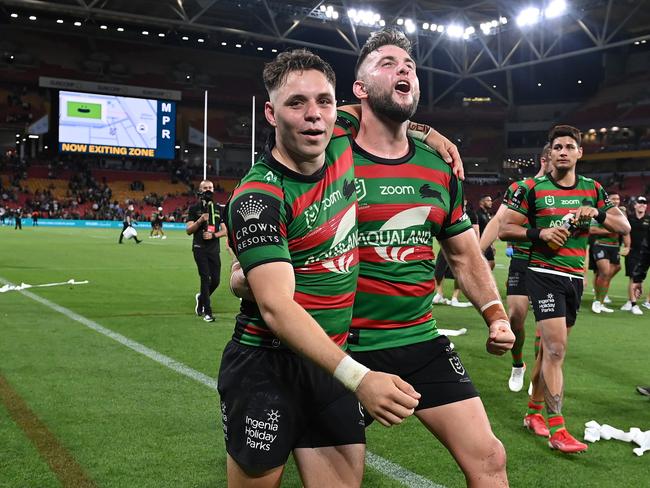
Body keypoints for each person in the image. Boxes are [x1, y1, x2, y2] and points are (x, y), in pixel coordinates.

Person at [219, 49, 421, 488]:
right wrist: (359, 377)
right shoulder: (259, 198)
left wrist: (431, 135)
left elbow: (389, 112)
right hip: (265, 368)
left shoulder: (343, 138)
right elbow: (275, 307)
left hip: (329, 362)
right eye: (296, 103)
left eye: (324, 102)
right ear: (271, 114)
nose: (314, 116)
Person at [345, 29, 514, 486]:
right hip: (342, 347)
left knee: (490, 459)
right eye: (387, 63)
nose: (403, 69)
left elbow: (463, 255)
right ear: (359, 89)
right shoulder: (329, 150)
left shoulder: (440, 165)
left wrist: (495, 314)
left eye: (409, 65)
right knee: (342, 478)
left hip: (419, 339)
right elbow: (305, 112)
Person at [499, 124, 630, 453]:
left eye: (569, 147)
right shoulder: (531, 188)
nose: (563, 152)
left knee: (547, 352)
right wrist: (540, 234)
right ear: (550, 153)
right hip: (542, 273)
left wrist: (596, 211)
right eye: (557, 147)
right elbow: (506, 228)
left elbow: (623, 226)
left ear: (579, 153)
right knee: (556, 350)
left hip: (573, 277)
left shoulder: (593, 189)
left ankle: (533, 413)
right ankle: (559, 430)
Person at [479, 144, 550, 393]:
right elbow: (499, 221)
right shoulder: (522, 188)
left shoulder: (570, 193)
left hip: (551, 265)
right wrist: (478, 252)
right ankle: (518, 364)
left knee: (547, 328)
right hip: (522, 259)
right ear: (544, 159)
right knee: (516, 319)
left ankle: (538, 376)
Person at [186, 180, 226, 322]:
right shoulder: (194, 208)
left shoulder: (218, 208)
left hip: (214, 249)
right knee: (205, 278)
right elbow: (188, 230)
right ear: (200, 190)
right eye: (205, 188)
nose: (208, 190)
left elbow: (225, 230)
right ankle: (207, 312)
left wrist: (214, 235)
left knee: (216, 280)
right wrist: (200, 220)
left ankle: (201, 297)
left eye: (210, 188)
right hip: (199, 248)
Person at [589, 192, 628, 313]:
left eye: (618, 198)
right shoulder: (600, 212)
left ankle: (601, 301)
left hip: (614, 247)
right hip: (600, 245)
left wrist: (627, 245)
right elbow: (592, 229)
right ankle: (596, 301)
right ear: (607, 200)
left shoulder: (621, 213)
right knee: (604, 272)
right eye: (613, 199)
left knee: (610, 272)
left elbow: (626, 231)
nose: (616, 201)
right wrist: (611, 228)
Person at [621, 196, 650, 315]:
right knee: (633, 276)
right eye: (640, 202)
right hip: (633, 252)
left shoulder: (649, 219)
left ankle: (647, 301)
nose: (642, 204)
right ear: (635, 205)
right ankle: (633, 303)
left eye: (644, 202)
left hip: (647, 252)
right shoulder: (629, 219)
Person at [477, 195, 495, 269]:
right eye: (488, 200)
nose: (491, 202)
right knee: (481, 265)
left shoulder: (487, 214)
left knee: (491, 263)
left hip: (487, 244)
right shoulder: (477, 214)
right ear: (481, 202)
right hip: (480, 244)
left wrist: (491, 245)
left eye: (491, 200)